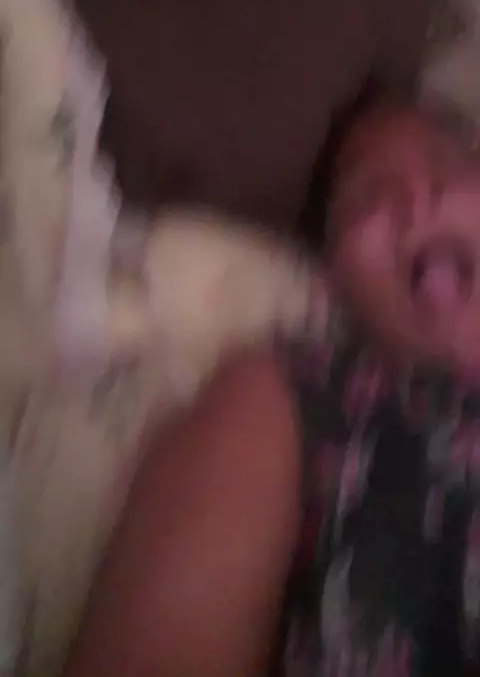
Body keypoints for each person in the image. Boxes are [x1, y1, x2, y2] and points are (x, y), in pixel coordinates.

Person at [62, 97, 480, 676]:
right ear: (333, 282)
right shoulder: (289, 400)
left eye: (444, 165)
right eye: (368, 196)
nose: (413, 199)